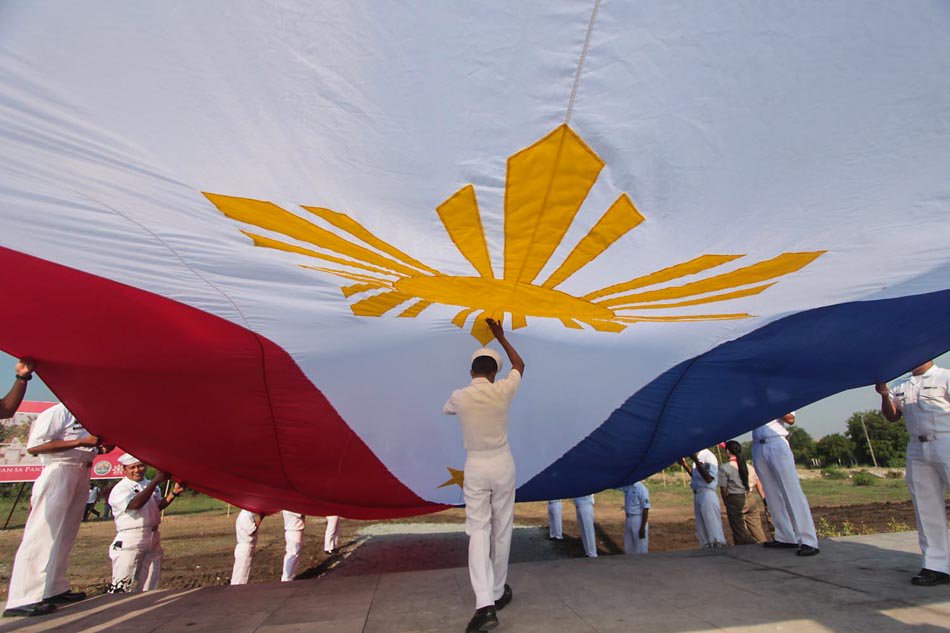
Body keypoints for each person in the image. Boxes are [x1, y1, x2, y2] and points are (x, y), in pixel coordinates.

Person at [443, 318, 524, 633]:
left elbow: (447, 409)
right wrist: (501, 337)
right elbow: (519, 364)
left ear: (471, 372)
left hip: (476, 466)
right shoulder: (503, 390)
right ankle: (497, 590)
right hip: (504, 464)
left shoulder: (460, 396)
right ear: (494, 373)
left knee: (479, 531)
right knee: (502, 529)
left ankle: (484, 605)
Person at [4, 403, 105, 617]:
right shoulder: (56, 412)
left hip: (82, 471)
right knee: (41, 534)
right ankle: (22, 597)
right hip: (58, 471)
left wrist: (98, 447)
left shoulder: (89, 413)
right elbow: (35, 447)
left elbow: (90, 443)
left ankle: (54, 587)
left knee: (65, 534)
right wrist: (79, 441)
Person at [876, 359, 950, 586]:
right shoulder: (901, 385)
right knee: (926, 507)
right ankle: (936, 566)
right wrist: (884, 394)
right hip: (917, 446)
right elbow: (892, 416)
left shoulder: (945, 377)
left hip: (946, 439)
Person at [107, 454, 184, 593]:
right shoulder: (121, 489)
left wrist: (173, 494)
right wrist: (154, 482)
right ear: (124, 469)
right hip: (131, 537)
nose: (137, 470)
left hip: (152, 535)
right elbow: (135, 504)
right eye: (132, 467)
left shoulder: (149, 485)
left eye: (140, 466)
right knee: (123, 582)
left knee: (150, 579)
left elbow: (156, 506)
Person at [751, 412, 819, 556]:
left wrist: (768, 403)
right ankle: (785, 536)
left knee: (791, 492)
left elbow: (790, 419)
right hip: (758, 444)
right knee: (771, 494)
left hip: (776, 442)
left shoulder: (779, 394)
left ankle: (808, 540)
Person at [719, 441, 766, 545]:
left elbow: (724, 488)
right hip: (750, 497)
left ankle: (745, 550)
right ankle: (763, 545)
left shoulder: (725, 468)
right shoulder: (749, 467)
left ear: (727, 451)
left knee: (739, 531)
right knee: (756, 528)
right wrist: (763, 498)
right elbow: (757, 482)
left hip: (735, 498)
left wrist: (726, 502)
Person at [679, 450, 727, 548]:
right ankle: (706, 546)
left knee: (712, 525)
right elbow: (696, 476)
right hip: (698, 493)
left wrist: (696, 461)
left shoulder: (708, 457)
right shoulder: (697, 457)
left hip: (707, 494)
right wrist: (685, 464)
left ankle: (718, 546)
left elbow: (709, 478)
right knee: (702, 528)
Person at [616, 481, 650, 554]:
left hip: (638, 519)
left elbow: (646, 509)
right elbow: (616, 487)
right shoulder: (628, 486)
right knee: (629, 547)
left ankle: (642, 564)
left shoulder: (641, 489)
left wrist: (642, 528)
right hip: (628, 519)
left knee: (640, 548)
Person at [231, 509, 263, 585]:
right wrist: (261, 518)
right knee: (241, 572)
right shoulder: (245, 515)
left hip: (246, 546)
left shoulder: (248, 515)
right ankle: (237, 591)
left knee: (242, 571)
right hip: (244, 546)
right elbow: (252, 531)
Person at [281, 511, 306, 581]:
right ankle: (287, 577)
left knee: (293, 554)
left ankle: (289, 576)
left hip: (293, 530)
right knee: (292, 554)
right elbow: (301, 513)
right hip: (293, 531)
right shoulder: (291, 508)